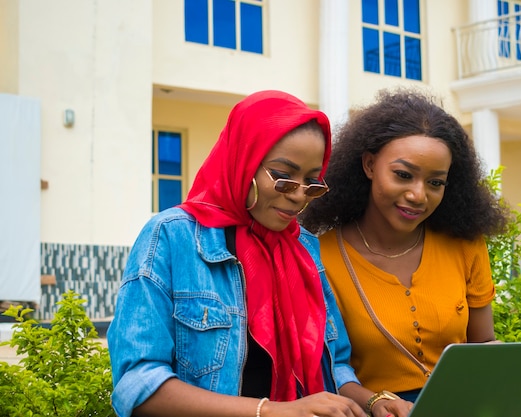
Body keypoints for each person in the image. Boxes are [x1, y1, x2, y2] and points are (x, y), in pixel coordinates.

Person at [107, 90, 403, 417]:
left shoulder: (304, 247)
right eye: (283, 177)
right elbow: (137, 385)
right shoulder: (171, 237)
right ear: (244, 159)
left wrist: (374, 401)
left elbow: (335, 365)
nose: (299, 196)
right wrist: (270, 411)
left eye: (312, 182)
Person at [300, 88, 509, 410]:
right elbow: (328, 370)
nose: (418, 195)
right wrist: (376, 401)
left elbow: (483, 343)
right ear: (369, 165)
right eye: (403, 175)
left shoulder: (465, 245)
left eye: (435, 182)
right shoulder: (319, 257)